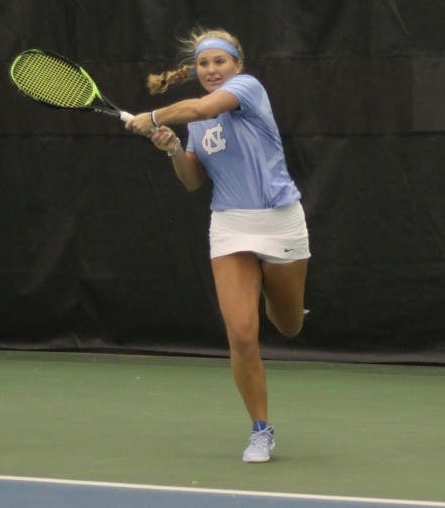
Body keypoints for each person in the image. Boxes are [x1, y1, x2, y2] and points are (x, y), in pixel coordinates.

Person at [124, 28, 310, 463]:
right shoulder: (196, 121)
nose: (211, 70)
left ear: (236, 66)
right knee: (242, 335)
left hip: (280, 221)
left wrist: (152, 117)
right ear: (196, 70)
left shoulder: (247, 89)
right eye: (204, 64)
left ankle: (278, 297)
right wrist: (172, 149)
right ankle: (261, 430)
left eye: (219, 62)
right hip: (230, 225)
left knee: (288, 326)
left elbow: (198, 107)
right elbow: (193, 180)